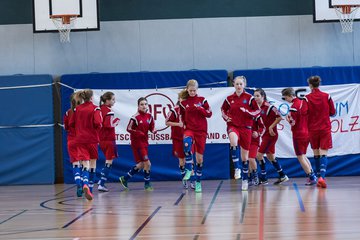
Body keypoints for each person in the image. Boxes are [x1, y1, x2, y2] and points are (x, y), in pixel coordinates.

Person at [221, 76, 260, 191]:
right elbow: (223, 109)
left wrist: (247, 111)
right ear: (233, 84)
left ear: (244, 85)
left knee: (245, 157)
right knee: (233, 140)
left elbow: (257, 111)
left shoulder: (249, 98)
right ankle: (236, 168)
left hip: (246, 128)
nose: (238, 86)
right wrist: (226, 117)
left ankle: (244, 179)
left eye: (240, 84)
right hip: (233, 125)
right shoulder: (229, 98)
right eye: (236, 84)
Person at [69, 89, 103, 200]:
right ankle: (89, 188)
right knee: (93, 165)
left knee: (85, 164)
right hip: (92, 140)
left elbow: (71, 124)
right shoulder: (95, 109)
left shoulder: (77, 109)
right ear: (92, 97)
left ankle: (84, 184)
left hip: (80, 140)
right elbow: (98, 123)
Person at [179, 79, 212, 193]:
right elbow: (182, 116)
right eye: (190, 90)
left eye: (194, 90)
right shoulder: (183, 103)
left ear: (197, 90)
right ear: (187, 90)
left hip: (201, 131)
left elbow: (209, 114)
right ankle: (188, 169)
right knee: (186, 143)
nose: (192, 92)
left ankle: (198, 182)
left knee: (199, 159)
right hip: (190, 129)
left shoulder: (202, 100)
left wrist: (201, 108)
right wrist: (183, 124)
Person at [119, 97, 157, 191]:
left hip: (145, 142)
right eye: (142, 104)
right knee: (147, 164)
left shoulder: (149, 116)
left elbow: (152, 127)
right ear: (138, 106)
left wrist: (153, 130)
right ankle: (147, 184)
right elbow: (129, 128)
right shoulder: (135, 117)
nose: (144, 106)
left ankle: (125, 178)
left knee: (141, 164)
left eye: (145, 104)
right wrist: (138, 133)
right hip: (137, 143)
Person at [281, 87, 317, 185]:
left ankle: (311, 176)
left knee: (300, 157)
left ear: (290, 96)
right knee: (303, 155)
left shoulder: (293, 107)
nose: (286, 100)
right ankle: (312, 174)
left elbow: (293, 123)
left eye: (285, 98)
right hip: (307, 133)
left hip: (298, 134)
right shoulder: (303, 103)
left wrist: (288, 119)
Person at [305, 76, 335, 188]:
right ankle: (322, 177)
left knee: (316, 154)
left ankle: (318, 177)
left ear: (310, 85)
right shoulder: (327, 96)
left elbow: (304, 113)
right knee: (323, 153)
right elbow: (332, 112)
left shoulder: (307, 98)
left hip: (312, 129)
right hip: (325, 128)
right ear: (319, 84)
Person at [254, 88, 289, 185]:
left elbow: (279, 117)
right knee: (270, 156)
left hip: (271, 135)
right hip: (265, 135)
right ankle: (282, 175)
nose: (255, 98)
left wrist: (271, 127)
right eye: (255, 96)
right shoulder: (257, 107)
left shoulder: (269, 107)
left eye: (258, 96)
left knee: (259, 155)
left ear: (263, 96)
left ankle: (264, 177)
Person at [165, 91, 194, 189]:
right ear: (179, 99)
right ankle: (184, 180)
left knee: (191, 159)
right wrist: (178, 124)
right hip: (177, 138)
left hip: (188, 137)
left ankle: (193, 181)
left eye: (186, 98)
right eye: (183, 98)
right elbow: (167, 122)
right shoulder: (174, 110)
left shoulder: (190, 109)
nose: (184, 100)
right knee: (182, 161)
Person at [98, 92, 120, 192]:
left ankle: (100, 180)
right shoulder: (109, 111)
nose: (114, 101)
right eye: (113, 99)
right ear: (107, 100)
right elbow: (108, 125)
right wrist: (116, 121)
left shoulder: (99, 109)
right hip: (108, 139)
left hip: (101, 139)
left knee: (107, 160)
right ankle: (102, 184)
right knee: (109, 161)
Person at [63, 91, 83, 197]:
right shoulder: (84, 111)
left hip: (71, 140)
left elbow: (66, 127)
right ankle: (86, 186)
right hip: (82, 140)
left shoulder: (68, 112)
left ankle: (79, 186)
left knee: (75, 163)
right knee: (85, 164)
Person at [248, 115, 265, 186]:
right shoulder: (242, 111)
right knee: (246, 160)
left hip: (254, 141)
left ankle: (255, 176)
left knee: (251, 158)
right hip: (244, 139)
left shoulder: (256, 114)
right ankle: (248, 178)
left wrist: (258, 133)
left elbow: (263, 127)